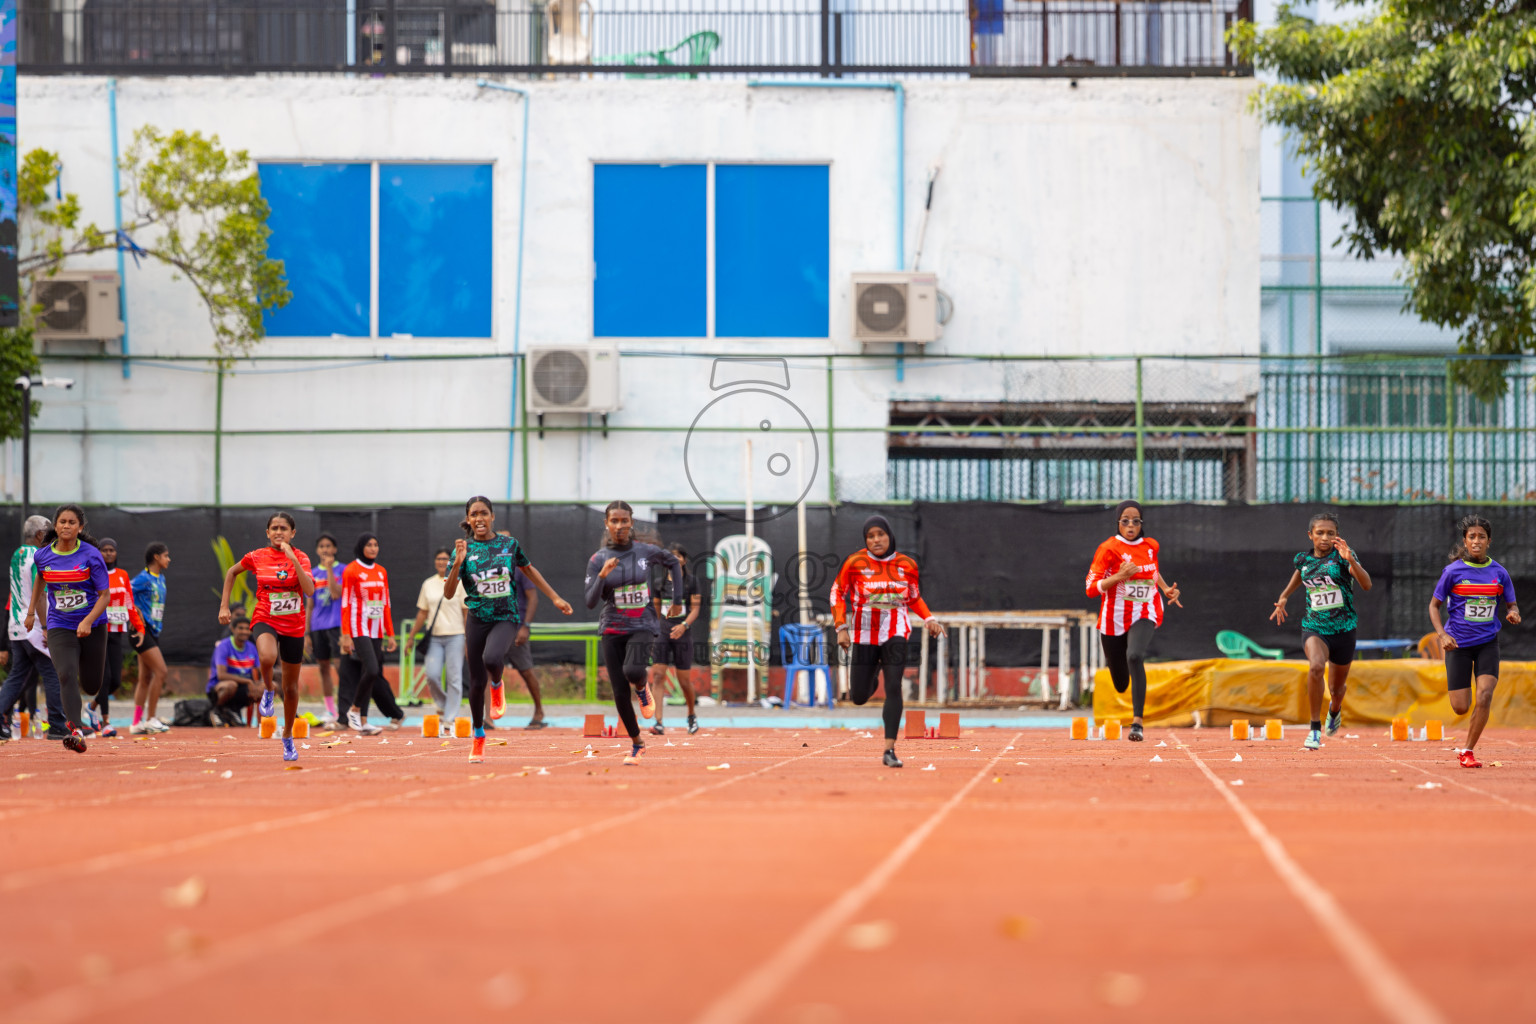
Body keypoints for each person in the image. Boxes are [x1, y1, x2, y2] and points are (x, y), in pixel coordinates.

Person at [444, 496, 572, 764]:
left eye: (484, 513)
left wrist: (556, 597)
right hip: (477, 618)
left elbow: (530, 570)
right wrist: (457, 563)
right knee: (475, 684)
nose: (479, 518)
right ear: (468, 519)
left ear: (492, 517)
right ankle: (478, 737)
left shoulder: (509, 545)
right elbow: (448, 593)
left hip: (507, 616)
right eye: (474, 514)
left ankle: (498, 683)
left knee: (492, 659)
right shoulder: (463, 550)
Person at [831, 515, 946, 767]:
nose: (876, 540)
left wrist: (929, 619)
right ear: (865, 540)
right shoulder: (855, 562)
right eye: (870, 536)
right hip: (864, 633)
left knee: (894, 686)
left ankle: (889, 750)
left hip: (896, 631)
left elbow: (914, 597)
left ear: (889, 535)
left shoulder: (907, 564)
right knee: (858, 696)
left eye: (880, 534)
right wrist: (841, 627)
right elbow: (838, 592)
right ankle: (872, 674)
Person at [584, 502, 685, 766]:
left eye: (624, 521)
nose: (619, 526)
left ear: (631, 523)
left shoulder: (644, 551)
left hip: (642, 624)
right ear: (607, 524)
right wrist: (602, 577)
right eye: (614, 521)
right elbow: (590, 602)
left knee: (632, 671)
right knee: (618, 690)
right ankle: (637, 742)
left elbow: (673, 562)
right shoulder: (598, 559)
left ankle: (642, 687)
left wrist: (677, 599)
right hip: (611, 627)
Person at [1269, 511, 1371, 750]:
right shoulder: (1303, 560)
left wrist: (1352, 561)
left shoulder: (1344, 557)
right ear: (1310, 535)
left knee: (1337, 689)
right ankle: (1314, 729)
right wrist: (1284, 596)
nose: (1325, 538)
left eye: (1330, 533)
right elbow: (1300, 574)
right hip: (1315, 627)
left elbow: (1366, 585)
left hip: (1344, 629)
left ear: (1337, 536)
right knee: (1315, 666)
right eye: (1320, 533)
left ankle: (1334, 711)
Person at [218, 513, 314, 762]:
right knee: (268, 656)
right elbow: (231, 572)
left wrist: (292, 558)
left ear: (293, 533)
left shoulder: (301, 557)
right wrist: (224, 606)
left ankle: (288, 736)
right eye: (274, 528)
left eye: (284, 528)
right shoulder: (257, 556)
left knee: (291, 689)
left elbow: (310, 590)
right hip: (266, 617)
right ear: (267, 532)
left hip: (293, 625)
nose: (278, 532)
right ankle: (268, 689)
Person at [1084, 500, 1182, 743]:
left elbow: (1153, 571)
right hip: (1113, 617)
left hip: (1146, 610)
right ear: (1118, 523)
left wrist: (1166, 589)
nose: (1130, 525)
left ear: (1141, 524)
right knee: (1119, 682)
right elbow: (1090, 589)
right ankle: (1124, 673)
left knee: (1135, 656)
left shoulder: (1151, 546)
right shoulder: (1108, 549)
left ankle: (1137, 722)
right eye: (1125, 520)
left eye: (1135, 520)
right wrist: (1119, 576)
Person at [1429, 514, 1520, 769]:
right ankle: (1467, 734)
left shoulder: (1499, 572)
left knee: (1485, 695)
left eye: (1481, 537)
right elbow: (1434, 606)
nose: (1476, 541)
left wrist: (1513, 612)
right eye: (1472, 537)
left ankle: (1467, 750)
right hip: (1458, 645)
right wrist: (1443, 635)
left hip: (1487, 643)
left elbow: (1511, 603)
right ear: (1465, 541)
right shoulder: (1453, 572)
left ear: (1489, 541)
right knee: (1460, 707)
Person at [25, 504, 111, 753]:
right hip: (59, 624)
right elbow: (40, 578)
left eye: (71, 522)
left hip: (92, 624)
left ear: (79, 527)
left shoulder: (91, 555)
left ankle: (84, 707)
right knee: (65, 674)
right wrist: (32, 613)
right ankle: (75, 731)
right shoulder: (43, 556)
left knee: (92, 685)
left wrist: (87, 621)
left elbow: (104, 595)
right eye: (62, 522)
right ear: (56, 525)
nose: (66, 526)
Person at [0, 515, 66, 741]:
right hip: (35, 626)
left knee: (17, 676)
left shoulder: (17, 555)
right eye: (49, 532)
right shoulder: (40, 556)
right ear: (40, 535)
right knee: (53, 673)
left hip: (16, 626)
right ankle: (57, 723)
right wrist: (47, 627)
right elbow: (39, 596)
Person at [338, 533, 402, 735]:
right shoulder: (352, 570)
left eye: (376, 544)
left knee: (370, 673)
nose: (374, 548)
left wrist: (390, 634)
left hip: (377, 629)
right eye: (369, 545)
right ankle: (354, 709)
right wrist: (346, 634)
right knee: (372, 670)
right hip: (359, 627)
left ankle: (363, 722)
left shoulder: (382, 571)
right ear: (361, 547)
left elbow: (386, 604)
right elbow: (346, 603)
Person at [94, 537, 145, 738]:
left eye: (111, 550)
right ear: (98, 553)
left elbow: (129, 602)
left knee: (115, 680)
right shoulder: (94, 574)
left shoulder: (123, 575)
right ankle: (105, 722)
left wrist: (139, 627)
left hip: (117, 631)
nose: (108, 553)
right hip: (99, 631)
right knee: (104, 678)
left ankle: (91, 706)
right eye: (104, 550)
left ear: (116, 553)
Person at [649, 542, 701, 735]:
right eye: (670, 556)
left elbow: (695, 608)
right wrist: (656, 630)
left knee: (684, 680)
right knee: (658, 676)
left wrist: (684, 625)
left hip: (683, 631)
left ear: (684, 560)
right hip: (663, 632)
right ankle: (658, 721)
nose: (674, 559)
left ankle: (691, 715)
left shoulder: (692, 582)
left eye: (678, 556)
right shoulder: (658, 583)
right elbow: (655, 611)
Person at [413, 548, 466, 736]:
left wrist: (468, 638)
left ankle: (449, 717)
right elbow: (422, 612)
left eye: (446, 559)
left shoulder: (460, 583)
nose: (442, 562)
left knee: (454, 677)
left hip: (456, 634)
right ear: (435, 562)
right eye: (439, 559)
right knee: (432, 675)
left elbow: (466, 611)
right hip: (434, 637)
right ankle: (444, 705)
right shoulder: (428, 584)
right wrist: (411, 636)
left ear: (451, 562)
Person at [130, 542, 172, 735]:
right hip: (140, 632)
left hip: (154, 632)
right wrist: (136, 612)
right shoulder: (143, 578)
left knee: (145, 678)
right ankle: (151, 719)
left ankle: (136, 723)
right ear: (156, 557)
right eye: (166, 556)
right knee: (161, 671)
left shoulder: (160, 579)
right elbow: (124, 593)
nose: (168, 559)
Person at [306, 533, 345, 728]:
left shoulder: (343, 570)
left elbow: (336, 594)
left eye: (329, 546)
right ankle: (330, 709)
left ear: (335, 549)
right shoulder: (311, 573)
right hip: (318, 626)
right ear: (317, 550)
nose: (325, 549)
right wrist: (306, 633)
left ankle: (344, 707)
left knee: (340, 666)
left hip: (337, 625)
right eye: (322, 546)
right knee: (323, 668)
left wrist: (329, 570)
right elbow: (310, 605)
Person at [208, 613, 260, 713]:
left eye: (247, 629)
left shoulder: (252, 647)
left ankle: (262, 722)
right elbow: (221, 675)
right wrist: (248, 681)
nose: (244, 632)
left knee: (265, 688)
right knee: (231, 685)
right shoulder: (223, 646)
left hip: (243, 687)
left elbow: (260, 669)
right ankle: (216, 711)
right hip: (219, 687)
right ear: (232, 629)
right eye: (240, 628)